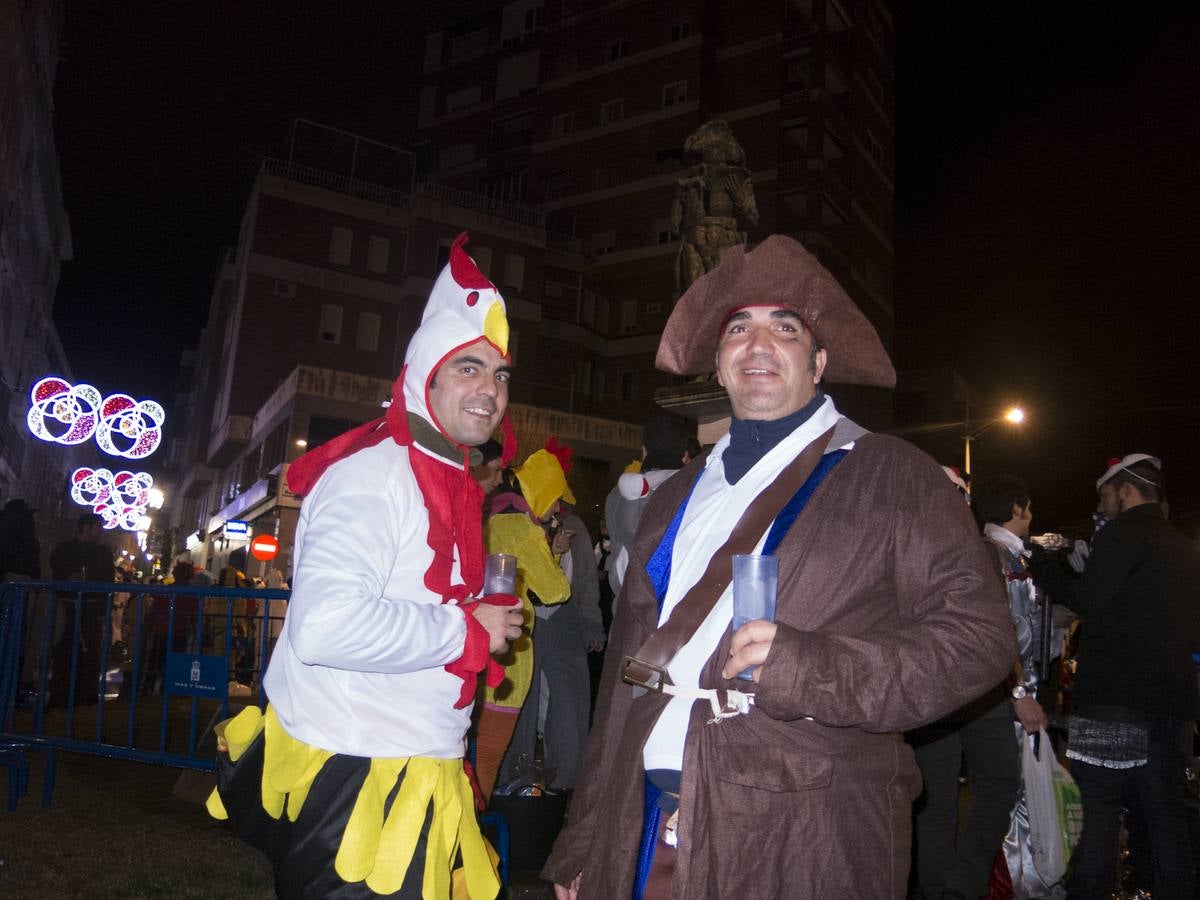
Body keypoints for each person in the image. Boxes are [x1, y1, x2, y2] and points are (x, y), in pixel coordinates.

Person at [542, 235, 1016, 900]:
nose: (757, 344)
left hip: (805, 843)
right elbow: (626, 678)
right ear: (719, 361)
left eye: (783, 328)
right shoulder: (674, 497)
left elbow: (979, 642)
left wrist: (809, 667)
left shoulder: (891, 474)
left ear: (818, 361)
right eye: (738, 327)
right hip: (646, 828)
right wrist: (586, 840)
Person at [208, 232, 524, 899]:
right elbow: (326, 627)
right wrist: (467, 631)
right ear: (423, 376)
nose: (490, 390)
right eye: (468, 368)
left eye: (499, 375)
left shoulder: (452, 481)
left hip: (415, 767)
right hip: (359, 782)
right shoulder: (372, 476)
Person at [1029, 453, 1199, 900]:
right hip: (1170, 705)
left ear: (1126, 491)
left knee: (1098, 807)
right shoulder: (1185, 547)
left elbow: (1089, 600)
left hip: (1113, 701)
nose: (1102, 508)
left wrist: (1047, 567)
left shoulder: (1121, 536)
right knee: (1165, 813)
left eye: (1105, 496)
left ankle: (1090, 893)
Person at [910, 475, 1045, 900]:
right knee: (984, 787)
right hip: (972, 691)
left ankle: (948, 887)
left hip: (945, 694)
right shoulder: (976, 550)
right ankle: (958, 886)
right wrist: (1018, 694)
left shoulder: (914, 546)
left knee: (942, 797)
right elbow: (998, 627)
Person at [474, 445, 574, 799]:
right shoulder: (524, 527)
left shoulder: (491, 515)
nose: (558, 509)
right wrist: (552, 554)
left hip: (472, 647)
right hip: (510, 658)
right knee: (490, 751)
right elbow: (555, 591)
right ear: (542, 491)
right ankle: (474, 829)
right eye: (556, 498)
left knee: (470, 749)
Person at [605, 414, 690, 602]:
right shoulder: (693, 492)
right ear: (684, 455)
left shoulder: (616, 495)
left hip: (626, 611)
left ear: (644, 451)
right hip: (677, 612)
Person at [48, 512, 116, 706]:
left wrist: (104, 611)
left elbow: (107, 581)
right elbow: (57, 572)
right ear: (87, 527)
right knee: (64, 651)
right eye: (98, 526)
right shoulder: (64, 550)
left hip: (91, 608)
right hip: (68, 607)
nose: (101, 531)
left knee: (89, 653)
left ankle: (85, 696)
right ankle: (60, 694)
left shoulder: (102, 553)